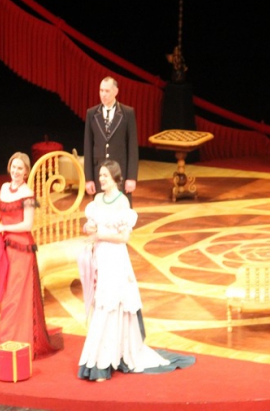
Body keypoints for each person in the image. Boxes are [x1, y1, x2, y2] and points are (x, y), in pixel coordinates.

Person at [77, 160, 195, 381]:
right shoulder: (97, 200)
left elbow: (124, 237)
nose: (101, 179)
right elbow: (90, 225)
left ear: (115, 178)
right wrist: (89, 228)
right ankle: (104, 357)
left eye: (104, 175)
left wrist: (101, 234)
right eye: (100, 175)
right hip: (101, 256)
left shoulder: (122, 202)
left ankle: (105, 362)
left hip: (116, 258)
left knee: (112, 304)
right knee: (102, 304)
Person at [0, 152, 63, 360]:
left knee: (15, 300)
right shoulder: (4, 188)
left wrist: (4, 227)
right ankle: (9, 343)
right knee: (8, 298)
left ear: (25, 172)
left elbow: (27, 225)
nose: (15, 171)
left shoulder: (28, 194)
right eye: (13, 167)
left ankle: (12, 344)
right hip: (6, 248)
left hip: (22, 250)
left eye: (20, 168)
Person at [83, 76, 139, 204]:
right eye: (101, 90)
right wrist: (89, 179)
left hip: (120, 173)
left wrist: (131, 177)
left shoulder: (127, 113)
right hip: (99, 174)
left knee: (121, 210)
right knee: (101, 210)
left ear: (115, 91)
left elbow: (132, 147)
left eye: (107, 91)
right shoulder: (92, 114)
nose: (103, 94)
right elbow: (88, 146)